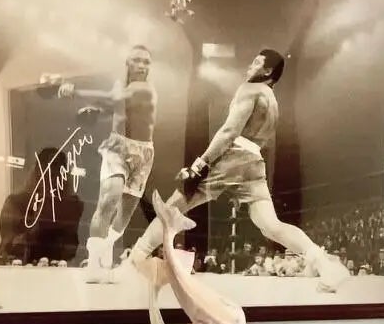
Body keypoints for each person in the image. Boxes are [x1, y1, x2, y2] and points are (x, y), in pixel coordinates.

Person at [126, 48, 349, 290]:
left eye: (256, 62)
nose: (249, 66)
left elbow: (229, 131)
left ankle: (134, 260)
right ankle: (326, 266)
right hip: (254, 162)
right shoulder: (272, 99)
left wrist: (200, 164)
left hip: (234, 156)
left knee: (172, 207)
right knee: (270, 225)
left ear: (267, 71)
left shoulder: (249, 89)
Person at [46, 44, 157, 282]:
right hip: (118, 147)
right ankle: (94, 263)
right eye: (137, 60)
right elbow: (115, 107)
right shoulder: (121, 86)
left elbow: (115, 100)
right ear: (127, 63)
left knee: (125, 214)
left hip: (144, 153)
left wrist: (75, 91)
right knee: (109, 198)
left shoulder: (144, 88)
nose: (142, 66)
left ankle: (105, 250)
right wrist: (98, 111)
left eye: (146, 62)